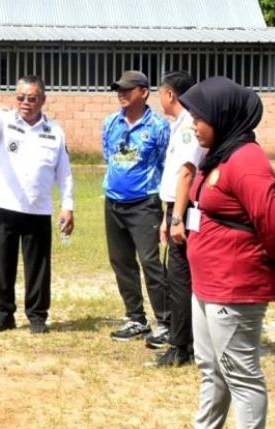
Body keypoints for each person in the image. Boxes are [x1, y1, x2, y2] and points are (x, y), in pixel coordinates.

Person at [156, 77, 275, 429]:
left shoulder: (248, 161)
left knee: (241, 371)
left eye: (200, 116)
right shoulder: (218, 155)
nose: (194, 124)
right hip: (208, 280)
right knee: (210, 365)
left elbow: (274, 224)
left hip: (235, 285)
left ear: (223, 116)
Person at [0, 75, 75, 334]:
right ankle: (3, 314)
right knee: (2, 262)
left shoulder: (54, 132)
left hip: (38, 209)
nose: (25, 102)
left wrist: (67, 206)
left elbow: (65, 174)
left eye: (32, 98)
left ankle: (37, 316)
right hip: (4, 206)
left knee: (38, 265)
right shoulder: (4, 121)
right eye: (21, 97)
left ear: (43, 100)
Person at [102, 70, 171, 342]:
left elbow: (167, 164)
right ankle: (135, 318)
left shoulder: (158, 126)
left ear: (143, 92)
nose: (121, 93)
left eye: (127, 89)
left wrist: (167, 209)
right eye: (118, 89)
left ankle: (166, 322)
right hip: (114, 203)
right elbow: (110, 157)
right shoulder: (110, 123)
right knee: (121, 262)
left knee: (150, 262)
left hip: (145, 203)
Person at [151, 71, 207, 366]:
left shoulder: (188, 127)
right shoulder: (180, 125)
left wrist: (176, 218)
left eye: (160, 92)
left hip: (183, 210)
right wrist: (166, 217)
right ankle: (184, 338)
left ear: (170, 95)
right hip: (175, 208)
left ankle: (181, 344)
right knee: (177, 276)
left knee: (180, 278)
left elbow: (187, 173)